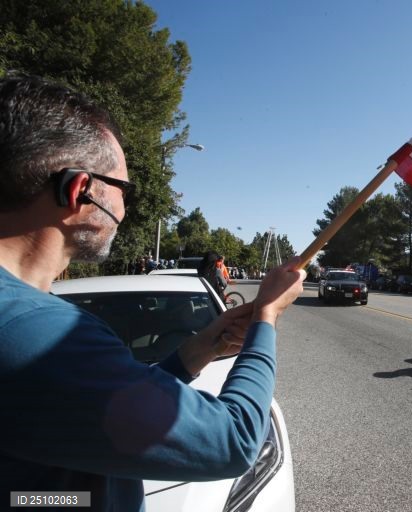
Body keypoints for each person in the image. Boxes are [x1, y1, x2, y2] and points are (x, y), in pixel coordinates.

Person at [0, 75, 305, 511]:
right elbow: (234, 440)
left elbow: (31, 489)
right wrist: (266, 316)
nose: (124, 207)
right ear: (78, 190)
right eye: (122, 189)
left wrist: (205, 345)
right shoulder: (39, 334)